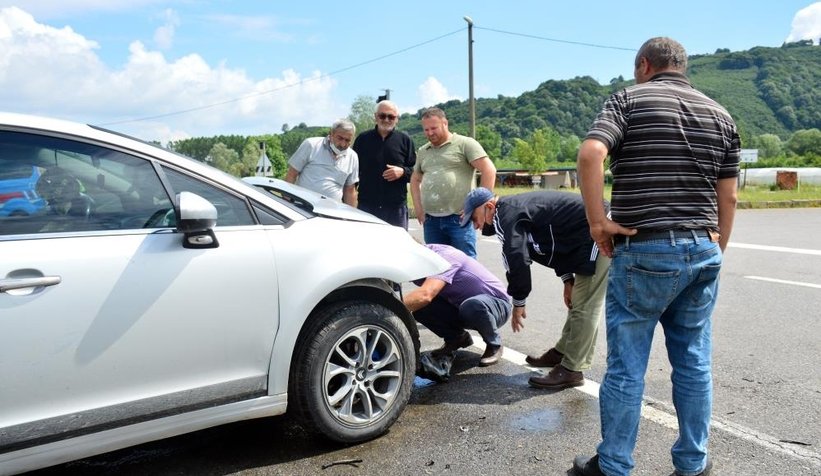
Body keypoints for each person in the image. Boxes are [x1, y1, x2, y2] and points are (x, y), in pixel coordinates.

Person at [573, 37, 739, 476]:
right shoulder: (720, 114)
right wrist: (716, 247)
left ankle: (614, 465)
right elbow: (729, 196)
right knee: (693, 362)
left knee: (627, 367)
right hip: (702, 248)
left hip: (643, 249)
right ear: (681, 66)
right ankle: (693, 464)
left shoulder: (628, 100)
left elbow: (591, 153)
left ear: (645, 65)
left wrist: (597, 222)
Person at [460, 187, 610, 390]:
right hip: (585, 231)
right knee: (578, 300)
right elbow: (555, 241)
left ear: (488, 206)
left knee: (586, 305)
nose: (475, 226)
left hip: (597, 227)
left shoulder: (505, 216)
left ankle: (572, 369)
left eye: (474, 218)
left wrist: (519, 302)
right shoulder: (511, 210)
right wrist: (567, 279)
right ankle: (562, 352)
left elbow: (517, 259)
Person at [403, 243, 512, 370]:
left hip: (497, 305)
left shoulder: (445, 257)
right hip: (462, 306)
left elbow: (425, 295)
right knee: (421, 308)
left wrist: (392, 307)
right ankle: (457, 338)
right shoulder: (419, 263)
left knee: (471, 305)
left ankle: (495, 344)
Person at [410, 107, 496, 258]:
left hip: (459, 219)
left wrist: (480, 205)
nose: (430, 133)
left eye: (434, 128)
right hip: (431, 221)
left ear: (445, 123)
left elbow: (489, 170)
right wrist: (418, 207)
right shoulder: (423, 151)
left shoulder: (465, 144)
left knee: (466, 264)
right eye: (426, 129)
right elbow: (415, 179)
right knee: (438, 265)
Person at [353, 100, 416, 229]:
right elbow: (353, 172)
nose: (386, 120)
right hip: (367, 206)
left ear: (397, 119)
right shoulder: (362, 139)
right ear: (375, 117)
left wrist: (403, 172)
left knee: (398, 242)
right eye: (382, 116)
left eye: (391, 117)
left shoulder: (405, 140)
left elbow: (416, 172)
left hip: (396, 208)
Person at [285, 119, 359, 206]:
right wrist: (286, 202)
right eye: (340, 138)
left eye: (347, 140)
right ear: (331, 134)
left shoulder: (353, 157)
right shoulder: (311, 145)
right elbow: (292, 174)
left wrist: (352, 213)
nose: (343, 144)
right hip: (302, 206)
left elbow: (349, 190)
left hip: (332, 210)